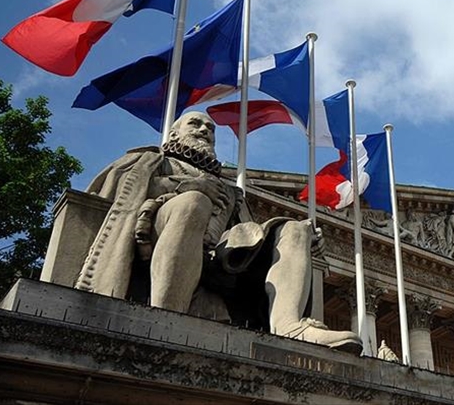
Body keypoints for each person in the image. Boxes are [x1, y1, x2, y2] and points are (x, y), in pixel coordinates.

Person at [74, 112, 361, 352]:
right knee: (193, 203)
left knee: (295, 228)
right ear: (174, 135)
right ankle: (166, 318)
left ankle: (289, 326)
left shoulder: (231, 192)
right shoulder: (153, 162)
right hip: (154, 237)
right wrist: (187, 187)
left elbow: (247, 236)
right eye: (195, 124)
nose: (205, 130)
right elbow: (118, 193)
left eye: (210, 128)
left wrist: (304, 246)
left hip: (218, 259)